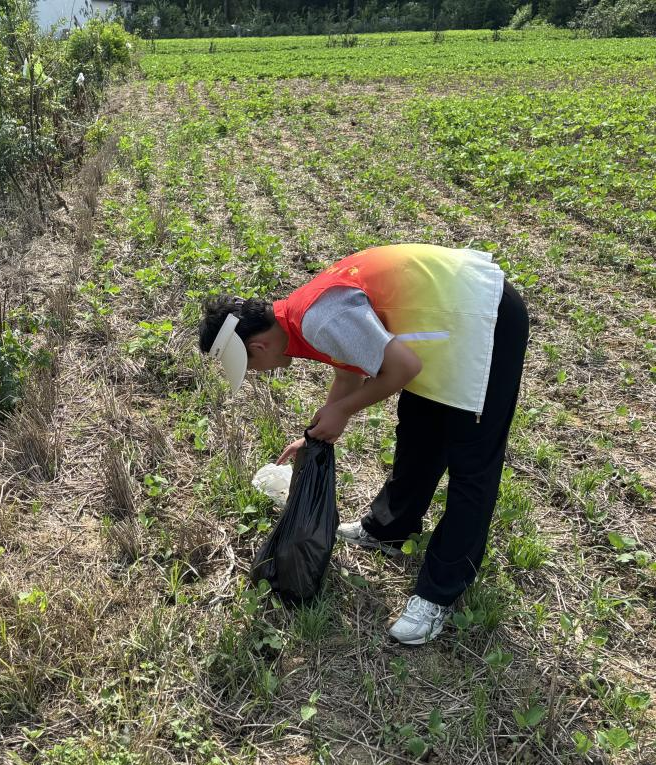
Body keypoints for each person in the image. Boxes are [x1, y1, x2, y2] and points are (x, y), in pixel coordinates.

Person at [199, 244, 528, 645]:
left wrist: (345, 412)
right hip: (445, 332)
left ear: (258, 348)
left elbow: (402, 368)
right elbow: (349, 374)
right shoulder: (302, 316)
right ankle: (390, 529)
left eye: (251, 367)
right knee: (419, 431)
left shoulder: (319, 319)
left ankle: (438, 594)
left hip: (485, 319)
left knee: (471, 464)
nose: (257, 373)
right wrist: (317, 430)